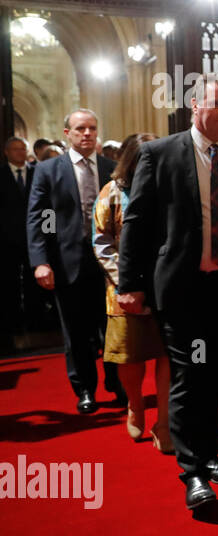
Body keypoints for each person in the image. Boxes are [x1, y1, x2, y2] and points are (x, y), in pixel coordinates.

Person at [118, 77, 218, 512]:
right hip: (183, 290)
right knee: (191, 376)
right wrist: (129, 284)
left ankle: (209, 456)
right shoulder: (160, 154)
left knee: (214, 378)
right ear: (194, 105)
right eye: (217, 106)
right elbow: (136, 222)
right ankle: (192, 473)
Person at [26, 109, 124, 412]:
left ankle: (116, 382)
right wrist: (41, 260)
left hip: (108, 264)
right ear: (67, 133)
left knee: (112, 327)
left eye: (92, 128)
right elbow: (42, 218)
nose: (87, 134)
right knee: (77, 331)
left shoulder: (111, 168)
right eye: (80, 129)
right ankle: (84, 389)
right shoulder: (49, 170)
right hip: (68, 261)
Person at [93, 133, 172, 452]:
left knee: (169, 355)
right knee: (130, 355)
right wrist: (126, 283)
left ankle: (164, 421)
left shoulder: (171, 188)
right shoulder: (113, 192)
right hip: (125, 289)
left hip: (166, 285)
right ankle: (136, 404)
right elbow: (102, 242)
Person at [2, 137, 37, 350]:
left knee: (34, 282)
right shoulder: (1, 174)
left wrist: (50, 231)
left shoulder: (37, 172)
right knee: (9, 282)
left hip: (35, 238)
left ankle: (35, 319)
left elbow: (49, 208)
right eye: (16, 150)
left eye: (23, 149)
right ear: (7, 152)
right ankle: (12, 321)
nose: (20, 153)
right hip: (6, 240)